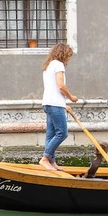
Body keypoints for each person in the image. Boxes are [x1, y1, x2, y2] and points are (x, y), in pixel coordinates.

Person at [40, 43, 78, 172]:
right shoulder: (58, 65)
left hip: (49, 103)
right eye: (68, 56)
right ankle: (45, 159)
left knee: (51, 135)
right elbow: (60, 86)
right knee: (62, 133)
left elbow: (52, 89)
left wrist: (64, 104)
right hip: (55, 104)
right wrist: (71, 97)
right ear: (64, 54)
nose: (68, 59)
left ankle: (51, 161)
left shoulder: (49, 66)